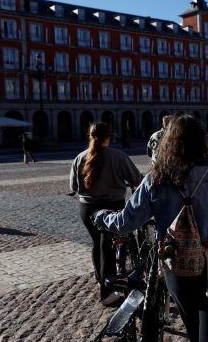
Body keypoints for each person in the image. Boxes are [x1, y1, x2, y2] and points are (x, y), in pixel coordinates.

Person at [94, 115, 208, 341]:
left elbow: (126, 222)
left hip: (176, 262)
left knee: (192, 325)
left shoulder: (155, 178)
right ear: (202, 142)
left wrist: (102, 217)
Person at [69, 122, 142, 306]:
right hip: (111, 207)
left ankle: (100, 277)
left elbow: (73, 187)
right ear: (108, 136)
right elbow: (136, 178)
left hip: (87, 209)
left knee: (98, 243)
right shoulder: (117, 156)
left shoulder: (80, 157)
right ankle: (108, 293)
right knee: (107, 248)